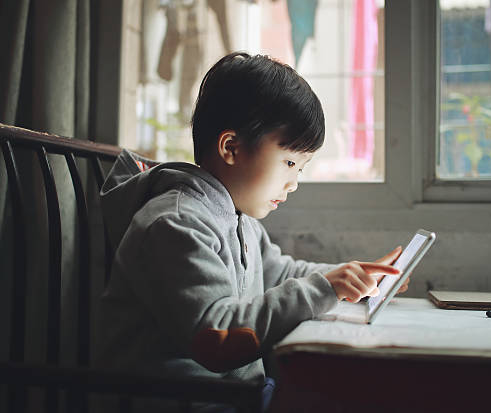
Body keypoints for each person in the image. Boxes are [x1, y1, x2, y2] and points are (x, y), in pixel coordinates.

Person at [94, 52, 406, 412]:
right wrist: (323, 290)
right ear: (231, 148)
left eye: (300, 169)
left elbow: (282, 273)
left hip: (237, 398)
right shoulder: (175, 225)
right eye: (289, 162)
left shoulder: (239, 220)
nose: (293, 183)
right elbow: (219, 337)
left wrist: (350, 280)